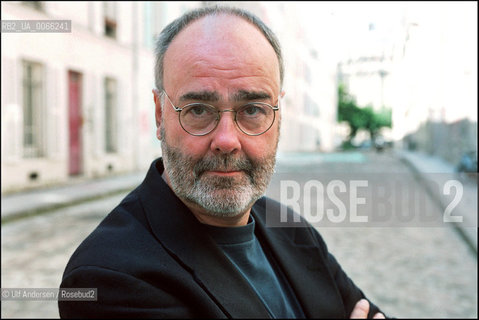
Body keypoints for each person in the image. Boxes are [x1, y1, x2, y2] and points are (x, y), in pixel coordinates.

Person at [59, 6, 388, 319]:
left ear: (278, 115)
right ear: (161, 114)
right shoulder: (107, 278)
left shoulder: (290, 227)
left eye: (253, 110)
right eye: (199, 110)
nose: (227, 140)